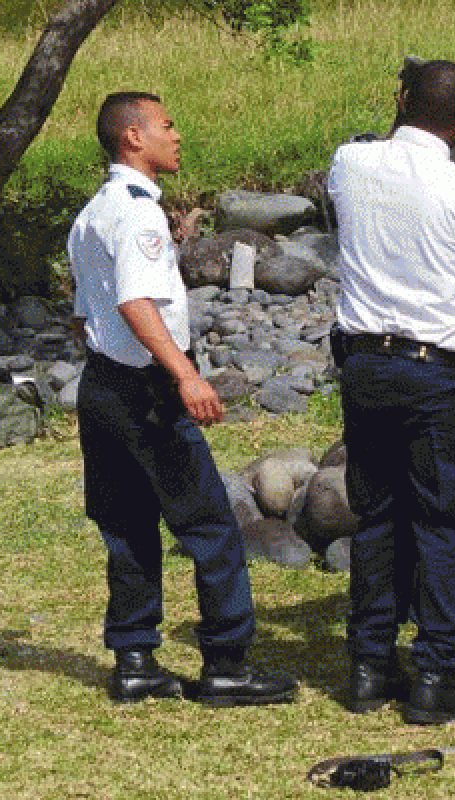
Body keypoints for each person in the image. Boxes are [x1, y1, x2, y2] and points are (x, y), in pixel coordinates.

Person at [69, 91, 297, 707]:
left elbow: (83, 310)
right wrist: (185, 376)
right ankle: (226, 663)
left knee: (129, 526)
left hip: (101, 383)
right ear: (132, 137)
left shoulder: (95, 210)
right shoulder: (139, 214)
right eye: (166, 125)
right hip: (145, 390)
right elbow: (135, 304)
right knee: (212, 527)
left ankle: (135, 659)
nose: (177, 135)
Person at [326, 60, 455, 724]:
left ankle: (368, 665)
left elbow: (396, 153)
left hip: (364, 364)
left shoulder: (350, 164)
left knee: (377, 515)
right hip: (434, 372)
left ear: (401, 104)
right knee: (441, 523)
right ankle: (437, 673)